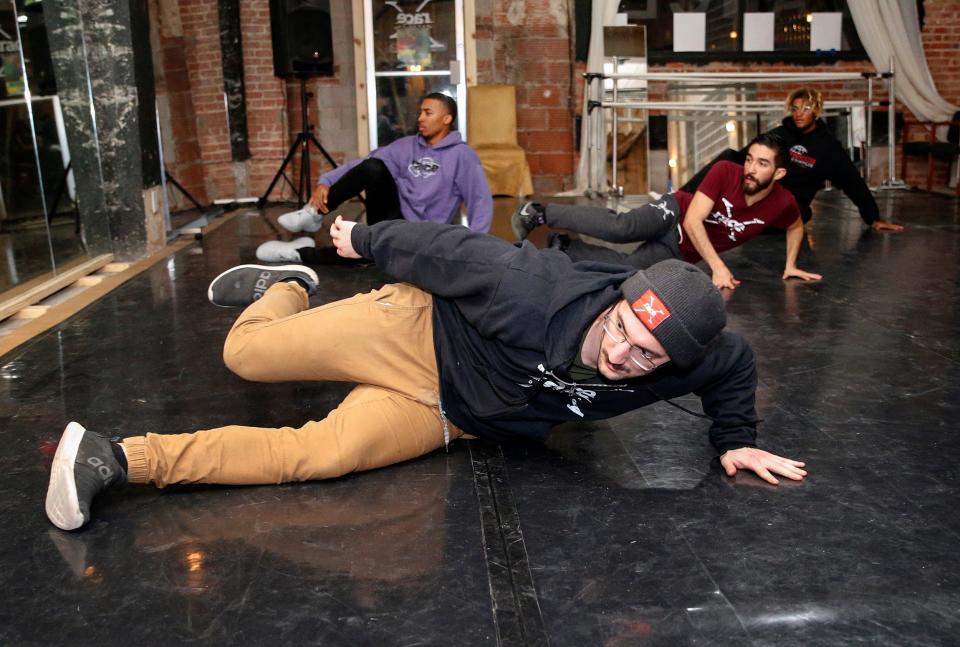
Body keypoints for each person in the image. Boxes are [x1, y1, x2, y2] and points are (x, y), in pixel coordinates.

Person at [45, 219, 808, 532]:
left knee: (318, 456)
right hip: (412, 332)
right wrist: (356, 237)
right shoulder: (526, 288)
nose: (620, 357)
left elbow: (734, 365)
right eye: (620, 331)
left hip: (452, 415)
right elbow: (442, 248)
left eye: (646, 356)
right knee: (243, 355)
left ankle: (115, 457)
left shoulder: (701, 354)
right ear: (615, 302)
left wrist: (733, 440)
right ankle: (284, 292)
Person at [513, 133, 822, 290]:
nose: (751, 169)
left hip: (683, 249)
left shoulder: (783, 202)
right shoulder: (727, 170)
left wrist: (791, 263)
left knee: (628, 270)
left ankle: (566, 248)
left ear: (779, 174)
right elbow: (693, 220)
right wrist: (717, 267)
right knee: (623, 228)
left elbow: (795, 226)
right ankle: (539, 213)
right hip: (675, 213)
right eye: (750, 159)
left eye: (762, 164)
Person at [256, 93, 493, 265]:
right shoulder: (407, 145)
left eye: (428, 112)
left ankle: (300, 254)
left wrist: (474, 250)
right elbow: (361, 165)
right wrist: (326, 181)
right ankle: (313, 215)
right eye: (420, 111)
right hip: (392, 217)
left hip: (425, 236)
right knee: (374, 166)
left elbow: (480, 201)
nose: (420, 117)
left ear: (447, 119)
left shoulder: (463, 155)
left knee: (372, 253)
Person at [678, 87, 904, 232]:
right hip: (760, 198)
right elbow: (743, 159)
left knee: (800, 213)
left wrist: (873, 218)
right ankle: (680, 200)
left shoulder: (828, 148)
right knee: (728, 159)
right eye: (795, 109)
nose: (799, 114)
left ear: (816, 111)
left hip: (787, 208)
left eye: (805, 109)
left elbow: (852, 181)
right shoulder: (780, 134)